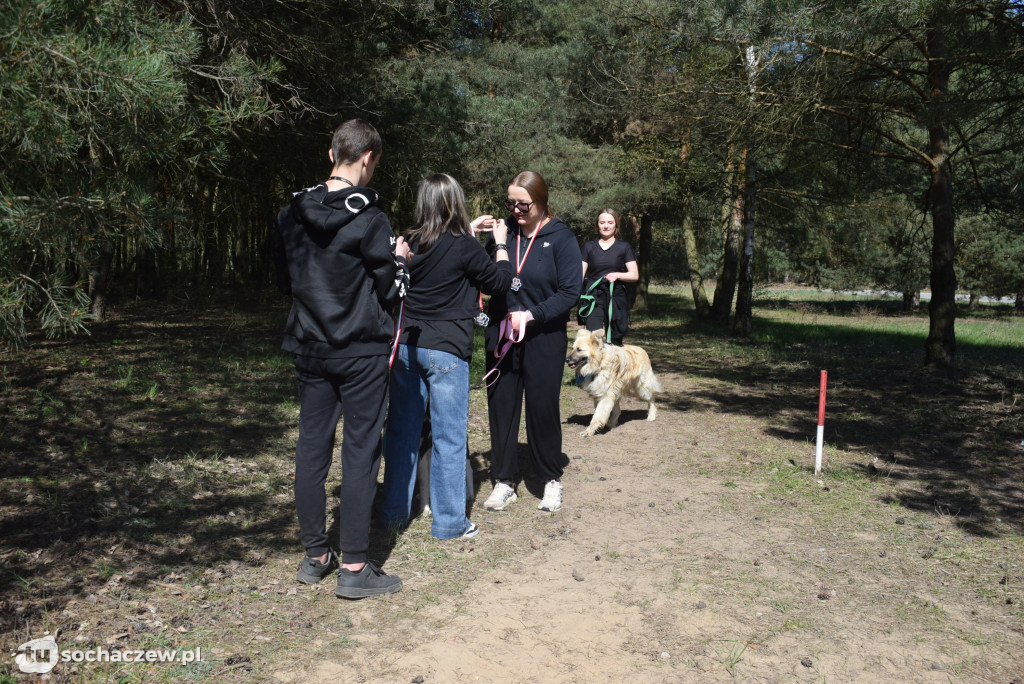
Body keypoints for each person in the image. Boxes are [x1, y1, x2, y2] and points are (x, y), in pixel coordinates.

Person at [272, 119, 411, 599]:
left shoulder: (290, 213)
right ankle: (353, 567)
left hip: (309, 345)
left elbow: (284, 279)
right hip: (360, 350)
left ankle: (315, 557)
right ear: (367, 159)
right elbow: (389, 290)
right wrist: (400, 261)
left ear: (331, 154)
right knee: (359, 452)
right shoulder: (371, 217)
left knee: (311, 448)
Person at [379, 174, 513, 539]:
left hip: (407, 347)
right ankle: (450, 522)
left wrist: (470, 231)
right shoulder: (465, 247)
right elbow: (498, 283)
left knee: (402, 434)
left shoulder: (407, 240)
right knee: (449, 438)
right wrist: (500, 245)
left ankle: (393, 514)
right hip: (447, 351)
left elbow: (430, 253)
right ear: (456, 203)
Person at [478, 171, 582, 513]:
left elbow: (570, 292)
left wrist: (532, 314)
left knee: (542, 407)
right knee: (502, 407)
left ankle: (550, 478)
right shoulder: (502, 233)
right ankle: (504, 480)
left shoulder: (561, 237)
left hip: (544, 336)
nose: (516, 209)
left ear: (541, 200)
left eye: (524, 204)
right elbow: (483, 276)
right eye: (511, 203)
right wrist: (483, 239)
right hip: (502, 335)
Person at [579, 208, 638, 346]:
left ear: (616, 225)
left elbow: (634, 275)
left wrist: (617, 275)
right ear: (597, 225)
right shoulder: (588, 246)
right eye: (602, 222)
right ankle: (595, 368)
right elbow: (579, 275)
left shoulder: (624, 247)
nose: (606, 226)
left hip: (616, 297)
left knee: (616, 342)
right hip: (594, 297)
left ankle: (614, 367)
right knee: (594, 340)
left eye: (610, 222)